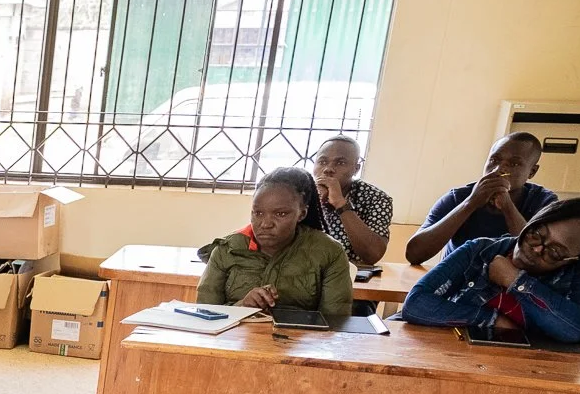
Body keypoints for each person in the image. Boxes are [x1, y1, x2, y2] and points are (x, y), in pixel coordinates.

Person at [401, 197, 580, 342]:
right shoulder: (480, 250)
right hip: (453, 355)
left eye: (555, 252)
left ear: (572, 260)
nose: (537, 248)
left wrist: (515, 281)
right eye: (536, 234)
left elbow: (575, 328)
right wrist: (491, 320)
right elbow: (416, 305)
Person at [195, 167, 353, 315]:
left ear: (302, 214)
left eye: (281, 214)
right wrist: (242, 307)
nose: (265, 224)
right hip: (232, 342)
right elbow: (204, 315)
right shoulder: (227, 249)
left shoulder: (329, 252)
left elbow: (335, 324)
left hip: (299, 343)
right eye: (258, 213)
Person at [404, 133, 558, 266]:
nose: (499, 169)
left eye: (514, 164)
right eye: (494, 160)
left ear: (532, 171)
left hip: (512, 290)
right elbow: (414, 255)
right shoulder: (458, 197)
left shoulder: (543, 202)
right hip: (455, 286)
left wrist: (507, 207)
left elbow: (536, 257)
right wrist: (470, 203)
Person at [310, 135, 392, 265]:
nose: (328, 169)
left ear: (356, 169)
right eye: (323, 162)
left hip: (350, 277)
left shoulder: (376, 198)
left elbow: (373, 255)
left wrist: (340, 203)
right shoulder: (299, 193)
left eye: (340, 163)